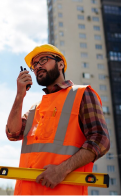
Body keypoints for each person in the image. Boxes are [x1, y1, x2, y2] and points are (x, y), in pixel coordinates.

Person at [6, 44, 110, 196]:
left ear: (61, 64)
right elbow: (12, 133)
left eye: (43, 60)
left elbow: (101, 140)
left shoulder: (81, 94)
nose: (38, 66)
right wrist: (19, 96)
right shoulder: (36, 108)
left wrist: (62, 170)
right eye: (34, 64)